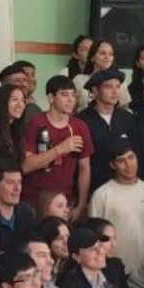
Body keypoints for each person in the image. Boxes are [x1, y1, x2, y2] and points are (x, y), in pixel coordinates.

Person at [88, 140, 144, 272]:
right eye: (121, 161)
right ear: (112, 165)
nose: (128, 165)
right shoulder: (101, 194)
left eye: (131, 158)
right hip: (112, 267)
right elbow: (93, 235)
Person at [22, 75, 92, 212]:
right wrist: (60, 149)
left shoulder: (80, 126)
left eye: (73, 95)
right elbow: (26, 166)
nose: (71, 100)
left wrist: (81, 204)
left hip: (65, 200)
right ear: (51, 98)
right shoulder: (36, 124)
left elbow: (84, 168)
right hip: (35, 199)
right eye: (64, 95)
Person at [77, 69, 139, 196]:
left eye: (117, 87)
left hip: (126, 188)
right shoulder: (82, 120)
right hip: (94, 190)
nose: (115, 92)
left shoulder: (127, 118)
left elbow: (138, 153)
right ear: (95, 90)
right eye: (108, 87)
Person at [72, 38, 132, 112]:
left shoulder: (119, 82)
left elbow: (124, 109)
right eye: (102, 53)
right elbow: (72, 108)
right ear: (92, 57)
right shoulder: (79, 80)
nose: (107, 57)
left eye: (110, 54)